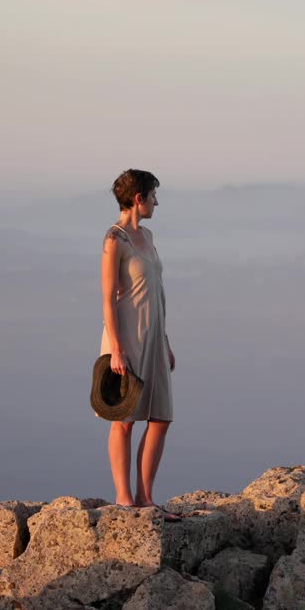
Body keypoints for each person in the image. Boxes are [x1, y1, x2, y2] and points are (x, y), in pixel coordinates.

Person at [100, 169, 179, 521]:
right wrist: (116, 348)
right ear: (138, 198)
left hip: (154, 336)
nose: (156, 203)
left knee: (161, 417)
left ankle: (147, 497)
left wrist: (165, 340)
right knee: (125, 420)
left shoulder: (147, 235)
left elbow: (156, 292)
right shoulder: (115, 240)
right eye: (153, 196)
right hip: (127, 339)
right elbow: (107, 299)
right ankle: (124, 498)